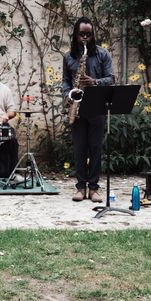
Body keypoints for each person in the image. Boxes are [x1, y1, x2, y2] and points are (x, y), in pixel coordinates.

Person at [62, 16, 115, 203]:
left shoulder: (102, 54)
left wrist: (94, 82)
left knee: (95, 149)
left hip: (96, 107)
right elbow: (65, 81)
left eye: (89, 34)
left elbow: (111, 78)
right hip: (77, 108)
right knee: (79, 150)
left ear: (93, 35)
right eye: (82, 34)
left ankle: (93, 188)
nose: (85, 38)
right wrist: (69, 94)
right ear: (76, 34)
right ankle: (80, 187)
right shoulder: (69, 57)